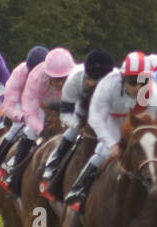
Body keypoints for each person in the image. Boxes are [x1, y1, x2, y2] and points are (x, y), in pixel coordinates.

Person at [65, 51, 157, 212]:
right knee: (103, 151)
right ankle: (79, 188)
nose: (138, 87)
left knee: (151, 154)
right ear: (123, 78)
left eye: (143, 81)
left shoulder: (154, 94)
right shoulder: (107, 84)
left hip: (139, 123)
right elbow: (95, 118)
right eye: (133, 81)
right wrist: (112, 144)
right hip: (112, 120)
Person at [0, 47, 75, 193]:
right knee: (22, 129)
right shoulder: (22, 73)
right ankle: (6, 170)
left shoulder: (66, 74)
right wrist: (23, 117)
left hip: (57, 105)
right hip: (29, 105)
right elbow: (8, 105)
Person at [39, 49, 115, 202]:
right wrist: (77, 125)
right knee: (72, 132)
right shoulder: (74, 80)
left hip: (111, 110)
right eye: (94, 80)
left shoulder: (117, 80)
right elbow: (65, 112)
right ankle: (52, 166)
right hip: (82, 106)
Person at [0, 45, 49, 175]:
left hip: (42, 105)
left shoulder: (53, 73)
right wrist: (21, 116)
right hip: (22, 105)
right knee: (18, 128)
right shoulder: (19, 73)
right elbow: (8, 106)